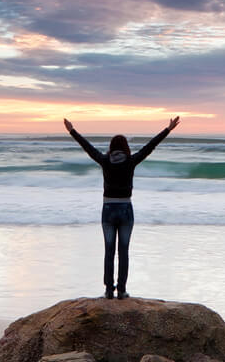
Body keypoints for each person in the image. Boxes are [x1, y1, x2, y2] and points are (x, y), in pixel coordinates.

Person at [63, 115, 180, 299]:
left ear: (111, 147)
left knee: (109, 251)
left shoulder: (104, 160)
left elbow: (87, 148)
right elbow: (150, 147)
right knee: (123, 251)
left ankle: (109, 290)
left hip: (108, 209)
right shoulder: (131, 161)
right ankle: (122, 290)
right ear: (125, 148)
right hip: (126, 209)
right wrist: (168, 129)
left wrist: (72, 131)